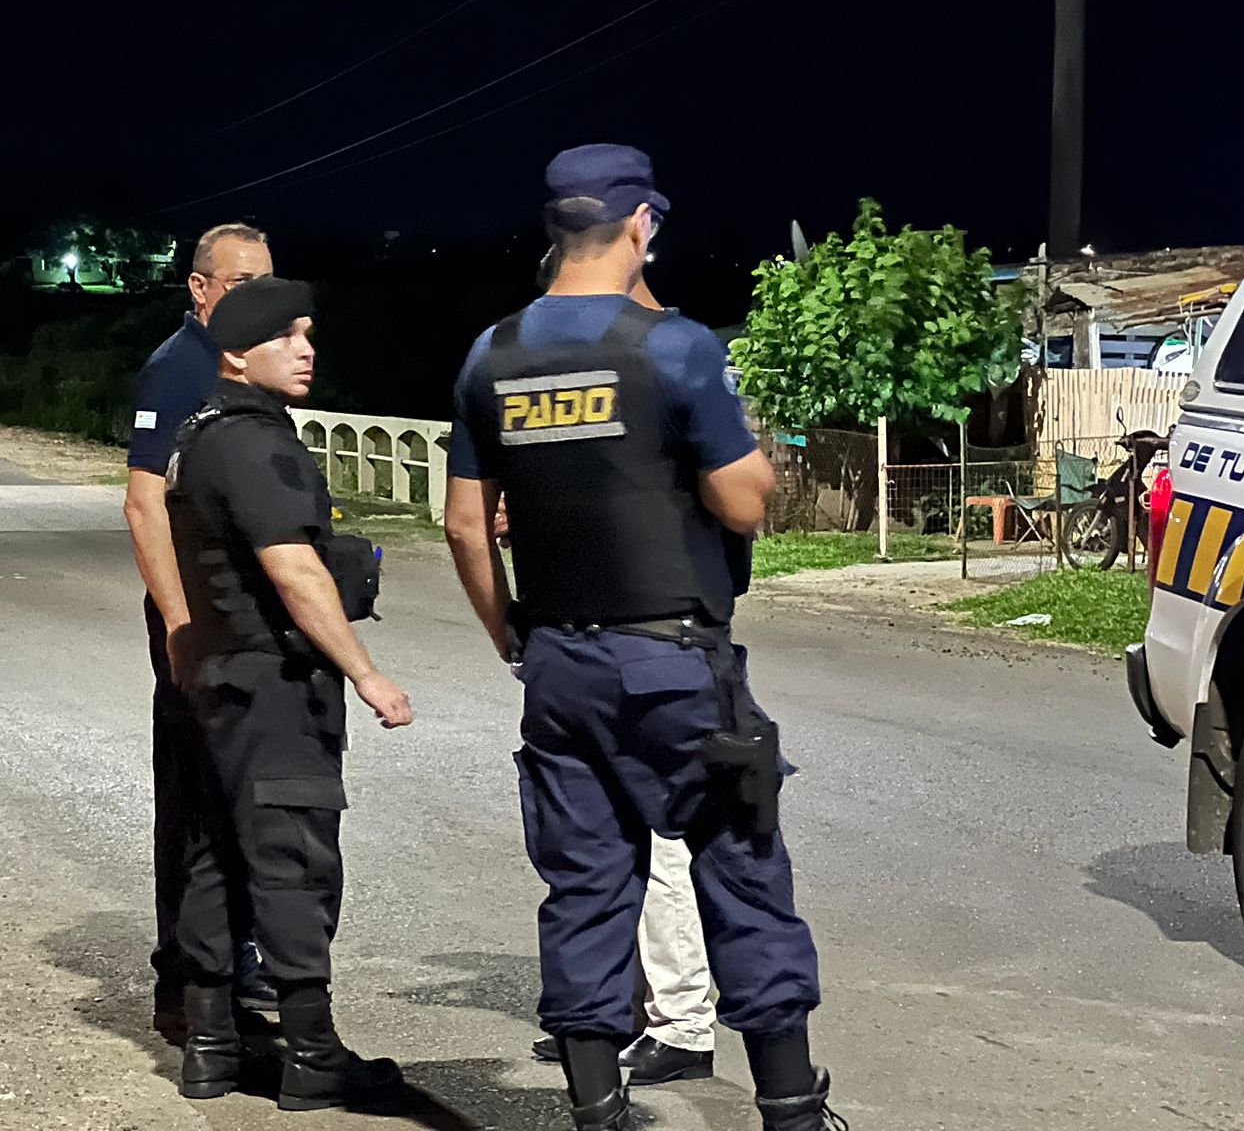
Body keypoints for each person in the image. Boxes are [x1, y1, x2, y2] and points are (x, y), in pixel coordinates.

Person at [443, 146, 838, 1131]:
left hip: (560, 668)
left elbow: (461, 523)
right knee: (739, 872)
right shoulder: (676, 348)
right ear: (638, 226)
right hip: (674, 665)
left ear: (553, 230)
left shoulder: (489, 355)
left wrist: (512, 638)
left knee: (583, 885)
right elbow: (742, 504)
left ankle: (595, 1111)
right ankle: (789, 1110)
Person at [165, 276, 411, 1111]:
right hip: (273, 684)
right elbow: (294, 568)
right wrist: (366, 672)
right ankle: (312, 1060)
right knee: (291, 863)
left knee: (213, 857)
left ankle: (212, 1051)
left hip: (213, 680)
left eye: (308, 334)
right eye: (286, 338)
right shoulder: (255, 444)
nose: (306, 350)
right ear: (238, 353)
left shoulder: (201, 434)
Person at [524, 245, 720, 1089]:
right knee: (604, 848)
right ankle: (609, 1019)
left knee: (667, 845)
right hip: (606, 643)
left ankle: (683, 1022)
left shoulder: (665, 366)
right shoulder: (646, 366)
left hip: (658, 644)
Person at [123, 223, 279, 1039]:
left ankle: (234, 966)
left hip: (244, 620)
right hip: (197, 621)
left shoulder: (245, 363)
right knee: (194, 796)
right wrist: (181, 626)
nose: (258, 296)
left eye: (268, 281)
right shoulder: (179, 367)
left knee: (241, 797)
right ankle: (184, 986)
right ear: (200, 287)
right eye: (241, 281)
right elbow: (143, 502)